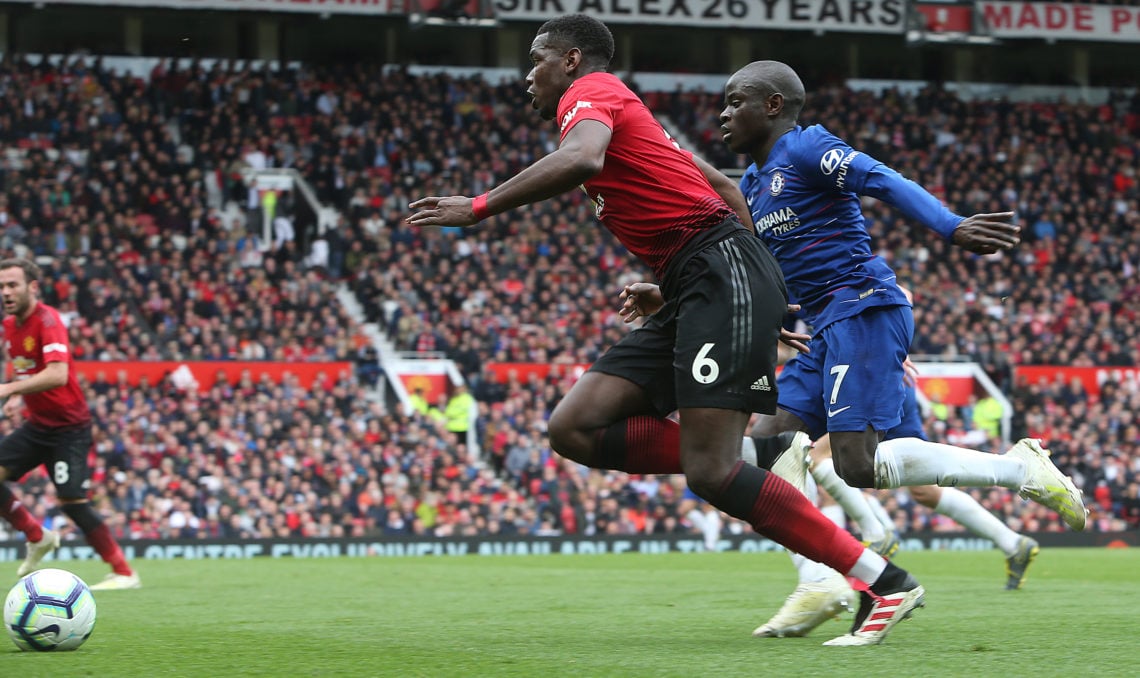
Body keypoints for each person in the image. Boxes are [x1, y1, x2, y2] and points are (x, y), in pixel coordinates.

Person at [409, 14, 924, 646]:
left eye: (538, 59)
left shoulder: (590, 94)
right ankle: (756, 455)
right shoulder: (640, 124)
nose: (528, 74)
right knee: (574, 428)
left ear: (571, 61)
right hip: (700, 282)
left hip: (717, 273)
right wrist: (764, 297)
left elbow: (581, 159)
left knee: (710, 474)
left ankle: (882, 580)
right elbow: (730, 190)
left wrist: (479, 207)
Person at [717, 61, 1086, 532]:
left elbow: (880, 179)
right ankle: (832, 575)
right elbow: (759, 268)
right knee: (771, 440)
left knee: (856, 465)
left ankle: (1019, 470)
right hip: (826, 328)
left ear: (773, 106)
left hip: (862, 306)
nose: (723, 115)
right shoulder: (751, 184)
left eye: (734, 102)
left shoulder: (806, 148)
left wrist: (951, 225)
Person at [0, 258, 140, 590]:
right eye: (1, 286)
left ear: (33, 287)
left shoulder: (48, 320)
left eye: (12, 285)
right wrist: (17, 395)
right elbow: (22, 368)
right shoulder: (9, 326)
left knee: (72, 502)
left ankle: (123, 573)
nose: (5, 292)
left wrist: (9, 389)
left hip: (69, 428)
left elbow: (58, 373)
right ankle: (37, 535)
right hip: (38, 426)